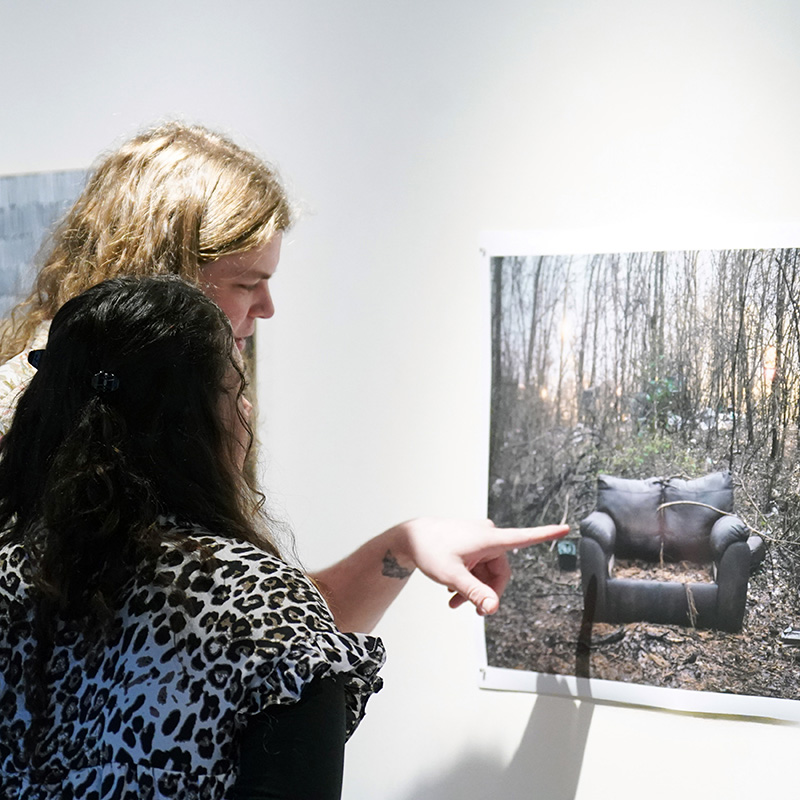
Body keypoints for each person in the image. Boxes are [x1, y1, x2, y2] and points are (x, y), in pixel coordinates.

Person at [0, 121, 568, 634]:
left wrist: (403, 546)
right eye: (246, 283)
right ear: (166, 276)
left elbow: (254, 627)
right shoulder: (28, 406)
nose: (267, 307)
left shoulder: (189, 404)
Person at [0, 275, 384, 799]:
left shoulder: (11, 573)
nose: (246, 412)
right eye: (234, 389)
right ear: (194, 421)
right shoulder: (258, 606)